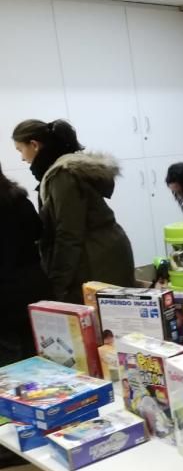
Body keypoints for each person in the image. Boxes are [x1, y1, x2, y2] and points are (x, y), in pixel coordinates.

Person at [12, 119, 135, 304]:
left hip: (96, 258)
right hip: (100, 251)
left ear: (34, 145)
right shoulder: (61, 171)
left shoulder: (62, 175)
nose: (22, 158)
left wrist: (58, 283)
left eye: (20, 150)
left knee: (105, 324)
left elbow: (69, 234)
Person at [0, 163, 51, 365]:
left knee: (10, 363)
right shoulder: (18, 198)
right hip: (32, 288)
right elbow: (38, 231)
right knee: (39, 353)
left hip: (4, 297)